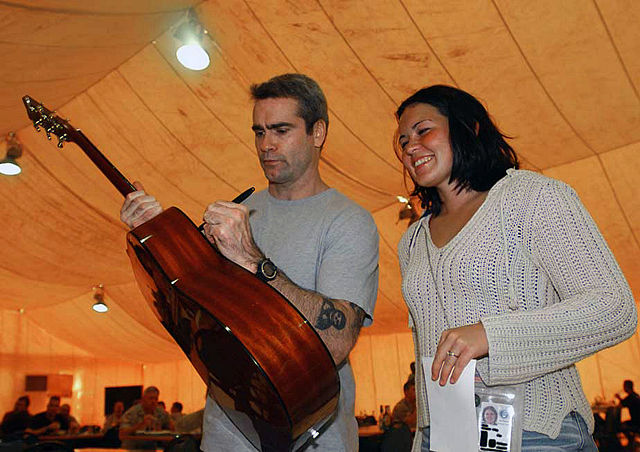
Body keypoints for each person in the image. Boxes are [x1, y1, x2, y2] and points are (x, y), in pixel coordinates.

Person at [119, 73, 379, 451]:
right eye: (259, 132)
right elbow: (192, 321)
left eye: (281, 130)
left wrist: (253, 261)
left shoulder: (348, 221)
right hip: (224, 438)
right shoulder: (238, 212)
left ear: (317, 132)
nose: (266, 145)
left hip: (316, 441)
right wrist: (158, 240)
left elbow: (335, 341)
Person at [395, 85, 637, 451]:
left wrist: (490, 335)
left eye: (423, 130)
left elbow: (614, 308)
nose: (411, 146)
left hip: (535, 432)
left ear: (469, 127)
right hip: (443, 438)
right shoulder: (411, 241)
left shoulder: (533, 198)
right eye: (402, 141)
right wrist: (423, 439)